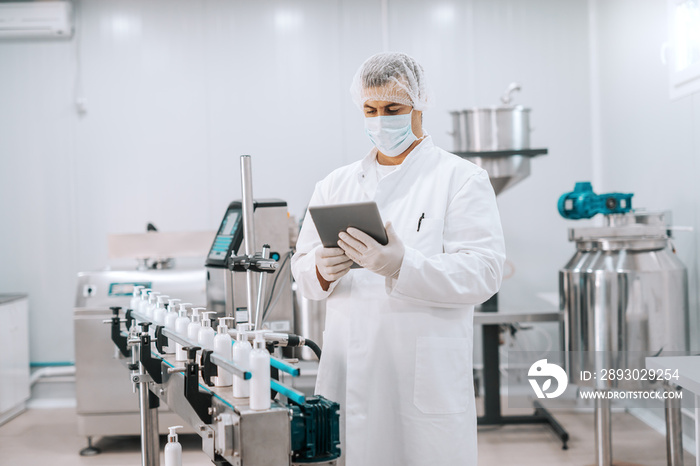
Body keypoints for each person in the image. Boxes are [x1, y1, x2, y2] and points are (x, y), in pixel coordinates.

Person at [291, 52, 506, 466]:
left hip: (421, 372)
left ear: (420, 105)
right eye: (370, 110)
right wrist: (319, 269)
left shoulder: (460, 179)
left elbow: (484, 271)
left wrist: (401, 266)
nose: (380, 120)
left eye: (393, 109)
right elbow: (303, 269)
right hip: (349, 366)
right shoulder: (336, 184)